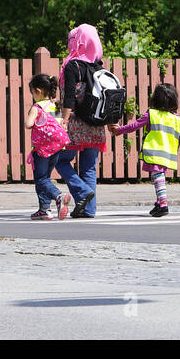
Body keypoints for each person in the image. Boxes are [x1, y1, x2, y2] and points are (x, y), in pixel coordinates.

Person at [111, 83, 180, 218]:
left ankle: (163, 204)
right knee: (159, 178)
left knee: (158, 178)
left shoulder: (152, 114)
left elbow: (134, 126)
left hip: (155, 152)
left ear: (155, 99)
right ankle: (158, 203)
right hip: (168, 155)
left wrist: (119, 130)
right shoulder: (177, 119)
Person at [60, 24, 113, 218]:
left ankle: (82, 192)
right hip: (97, 125)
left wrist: (63, 121)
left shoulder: (72, 65)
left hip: (75, 123)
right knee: (89, 168)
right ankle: (89, 210)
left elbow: (69, 98)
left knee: (61, 160)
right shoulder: (99, 67)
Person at [26, 74, 90, 220]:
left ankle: (58, 196)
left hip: (41, 150)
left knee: (41, 179)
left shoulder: (37, 107)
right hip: (56, 149)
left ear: (38, 91)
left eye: (33, 93)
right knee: (45, 178)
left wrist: (33, 116)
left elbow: (28, 124)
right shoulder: (56, 106)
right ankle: (44, 210)